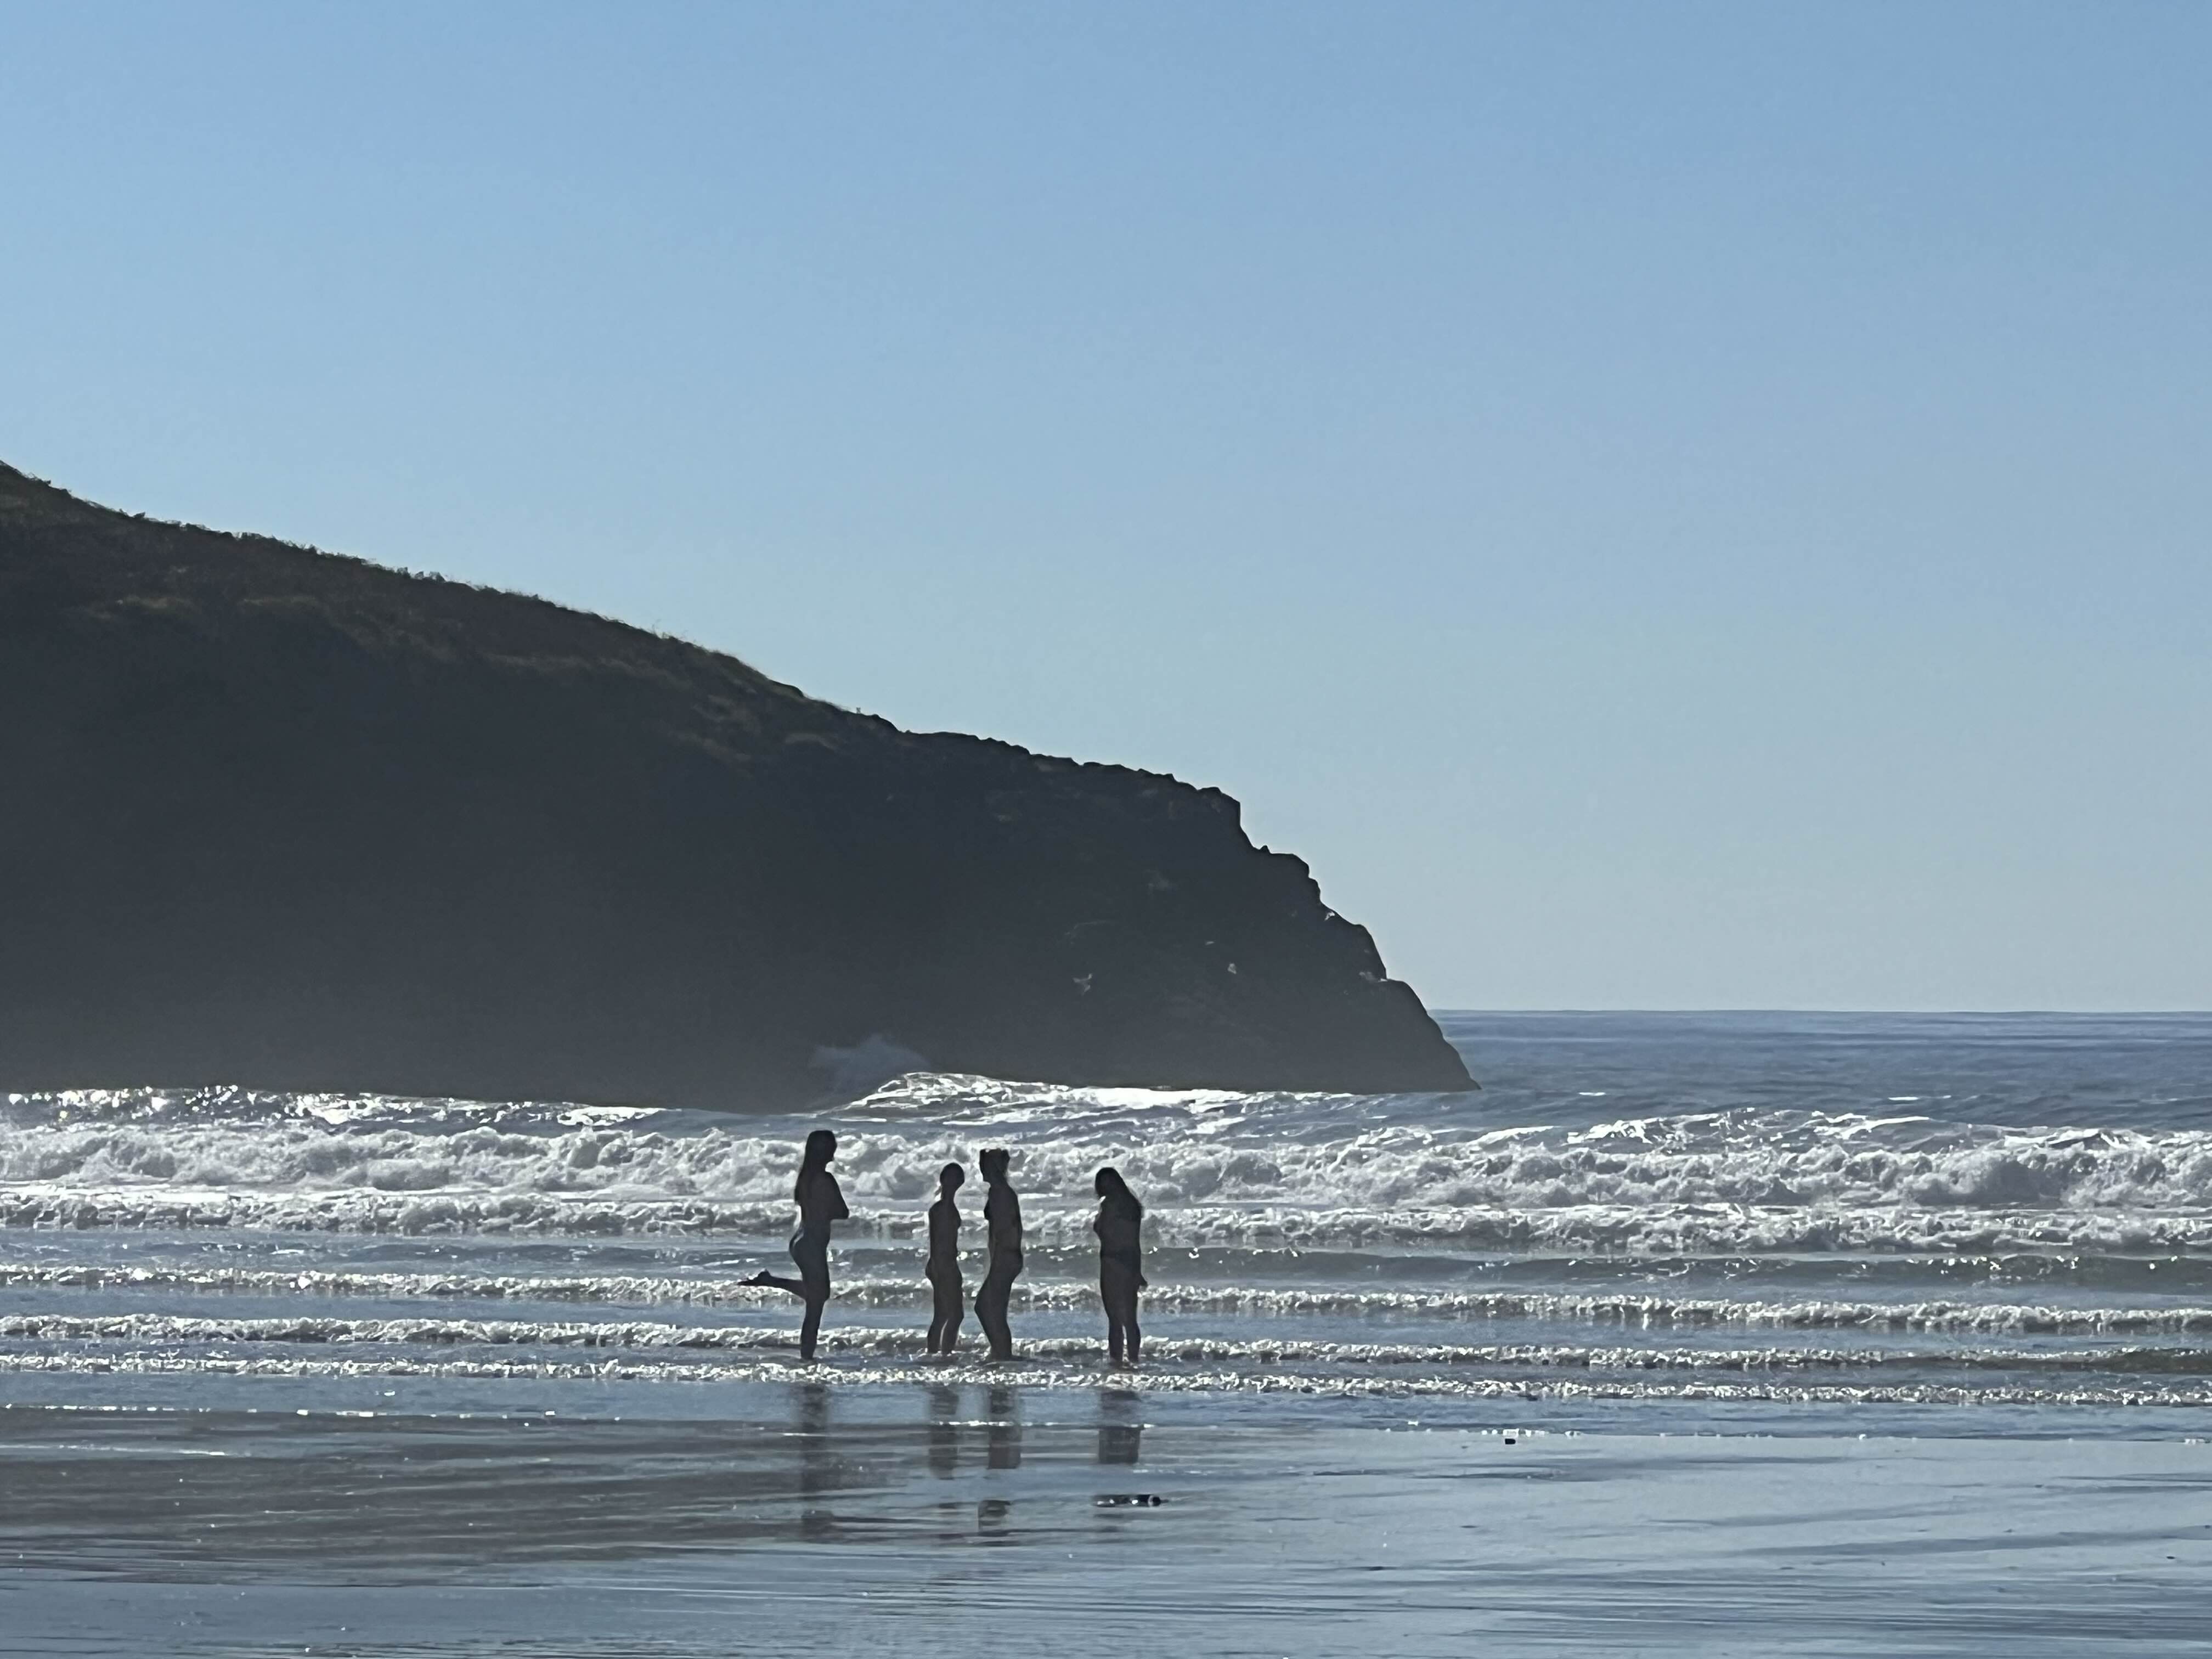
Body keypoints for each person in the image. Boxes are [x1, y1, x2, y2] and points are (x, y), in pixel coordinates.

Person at [745, 1128, 848, 1362]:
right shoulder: (825, 1179)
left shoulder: (806, 1179)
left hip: (801, 1240)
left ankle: (772, 1281)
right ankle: (807, 1358)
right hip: (812, 1243)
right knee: (816, 1305)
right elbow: (843, 1212)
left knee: (817, 1296)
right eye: (831, 1146)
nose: (834, 1150)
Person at [1093, 1165, 1146, 1366]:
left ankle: (1117, 1360)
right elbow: (1134, 1242)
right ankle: (1133, 1359)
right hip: (1127, 1262)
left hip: (1112, 1263)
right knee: (1129, 1319)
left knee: (1116, 1319)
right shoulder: (1131, 1206)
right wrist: (1137, 1270)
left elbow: (1106, 1232)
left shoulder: (1108, 1204)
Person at [974, 1147, 1023, 1361]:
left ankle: (1001, 1352)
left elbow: (1007, 1231)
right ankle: (1001, 1352)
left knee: (984, 1306)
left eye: (983, 1164)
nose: (980, 1168)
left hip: (1006, 1256)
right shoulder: (1000, 1190)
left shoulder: (1000, 1192)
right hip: (1006, 1255)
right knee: (996, 1309)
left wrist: (1000, 1261)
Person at [925, 1161, 966, 1355]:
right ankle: (944, 1353)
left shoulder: (946, 1207)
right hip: (944, 1265)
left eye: (957, 1179)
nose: (955, 1182)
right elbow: (936, 1243)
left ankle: (936, 1353)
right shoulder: (941, 1209)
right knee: (955, 1315)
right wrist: (938, 1267)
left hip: (945, 1263)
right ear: (943, 1180)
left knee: (943, 1315)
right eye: (952, 1178)